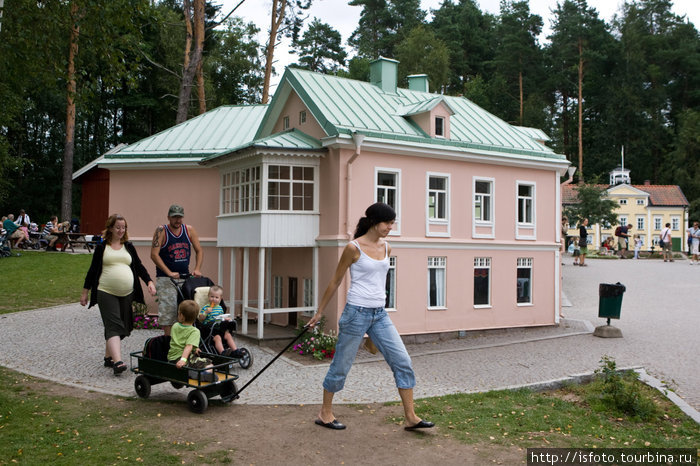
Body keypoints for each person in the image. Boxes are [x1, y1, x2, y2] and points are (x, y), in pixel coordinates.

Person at [307, 202, 433, 432]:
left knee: (402, 361)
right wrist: (319, 312)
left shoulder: (387, 247)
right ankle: (325, 413)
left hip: (379, 314)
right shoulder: (353, 248)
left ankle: (411, 417)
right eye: (387, 222)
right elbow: (335, 281)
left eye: (392, 223)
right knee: (341, 366)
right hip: (356, 313)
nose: (390, 227)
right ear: (374, 222)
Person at [80, 214, 157, 375]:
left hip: (127, 293)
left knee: (124, 326)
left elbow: (139, 266)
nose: (121, 230)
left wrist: (149, 281)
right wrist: (85, 292)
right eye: (118, 227)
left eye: (124, 227)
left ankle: (108, 357)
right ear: (110, 228)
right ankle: (118, 362)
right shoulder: (102, 247)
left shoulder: (128, 246)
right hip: (105, 291)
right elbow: (93, 270)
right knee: (113, 324)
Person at [150, 204, 203, 336]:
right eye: (174, 217)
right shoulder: (161, 231)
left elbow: (199, 250)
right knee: (169, 313)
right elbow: (154, 254)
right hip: (166, 278)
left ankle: (184, 342)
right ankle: (168, 344)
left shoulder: (189, 230)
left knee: (187, 311)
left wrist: (197, 269)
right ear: (169, 217)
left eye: (180, 217)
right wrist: (168, 272)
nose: (177, 220)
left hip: (184, 277)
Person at [168, 299, 215, 381]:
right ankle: (199, 374)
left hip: (172, 358)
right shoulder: (194, 331)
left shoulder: (175, 326)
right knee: (209, 365)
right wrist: (183, 360)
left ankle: (195, 372)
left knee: (195, 361)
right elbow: (188, 346)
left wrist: (195, 348)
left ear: (181, 315)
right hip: (183, 358)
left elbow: (180, 341)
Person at [198, 285, 243, 357]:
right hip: (210, 330)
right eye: (212, 296)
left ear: (220, 298)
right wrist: (206, 312)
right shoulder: (206, 307)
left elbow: (221, 317)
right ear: (208, 296)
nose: (214, 299)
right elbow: (201, 318)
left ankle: (235, 350)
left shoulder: (220, 308)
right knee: (218, 337)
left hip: (220, 328)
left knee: (228, 335)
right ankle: (222, 352)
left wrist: (226, 319)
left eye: (216, 297)